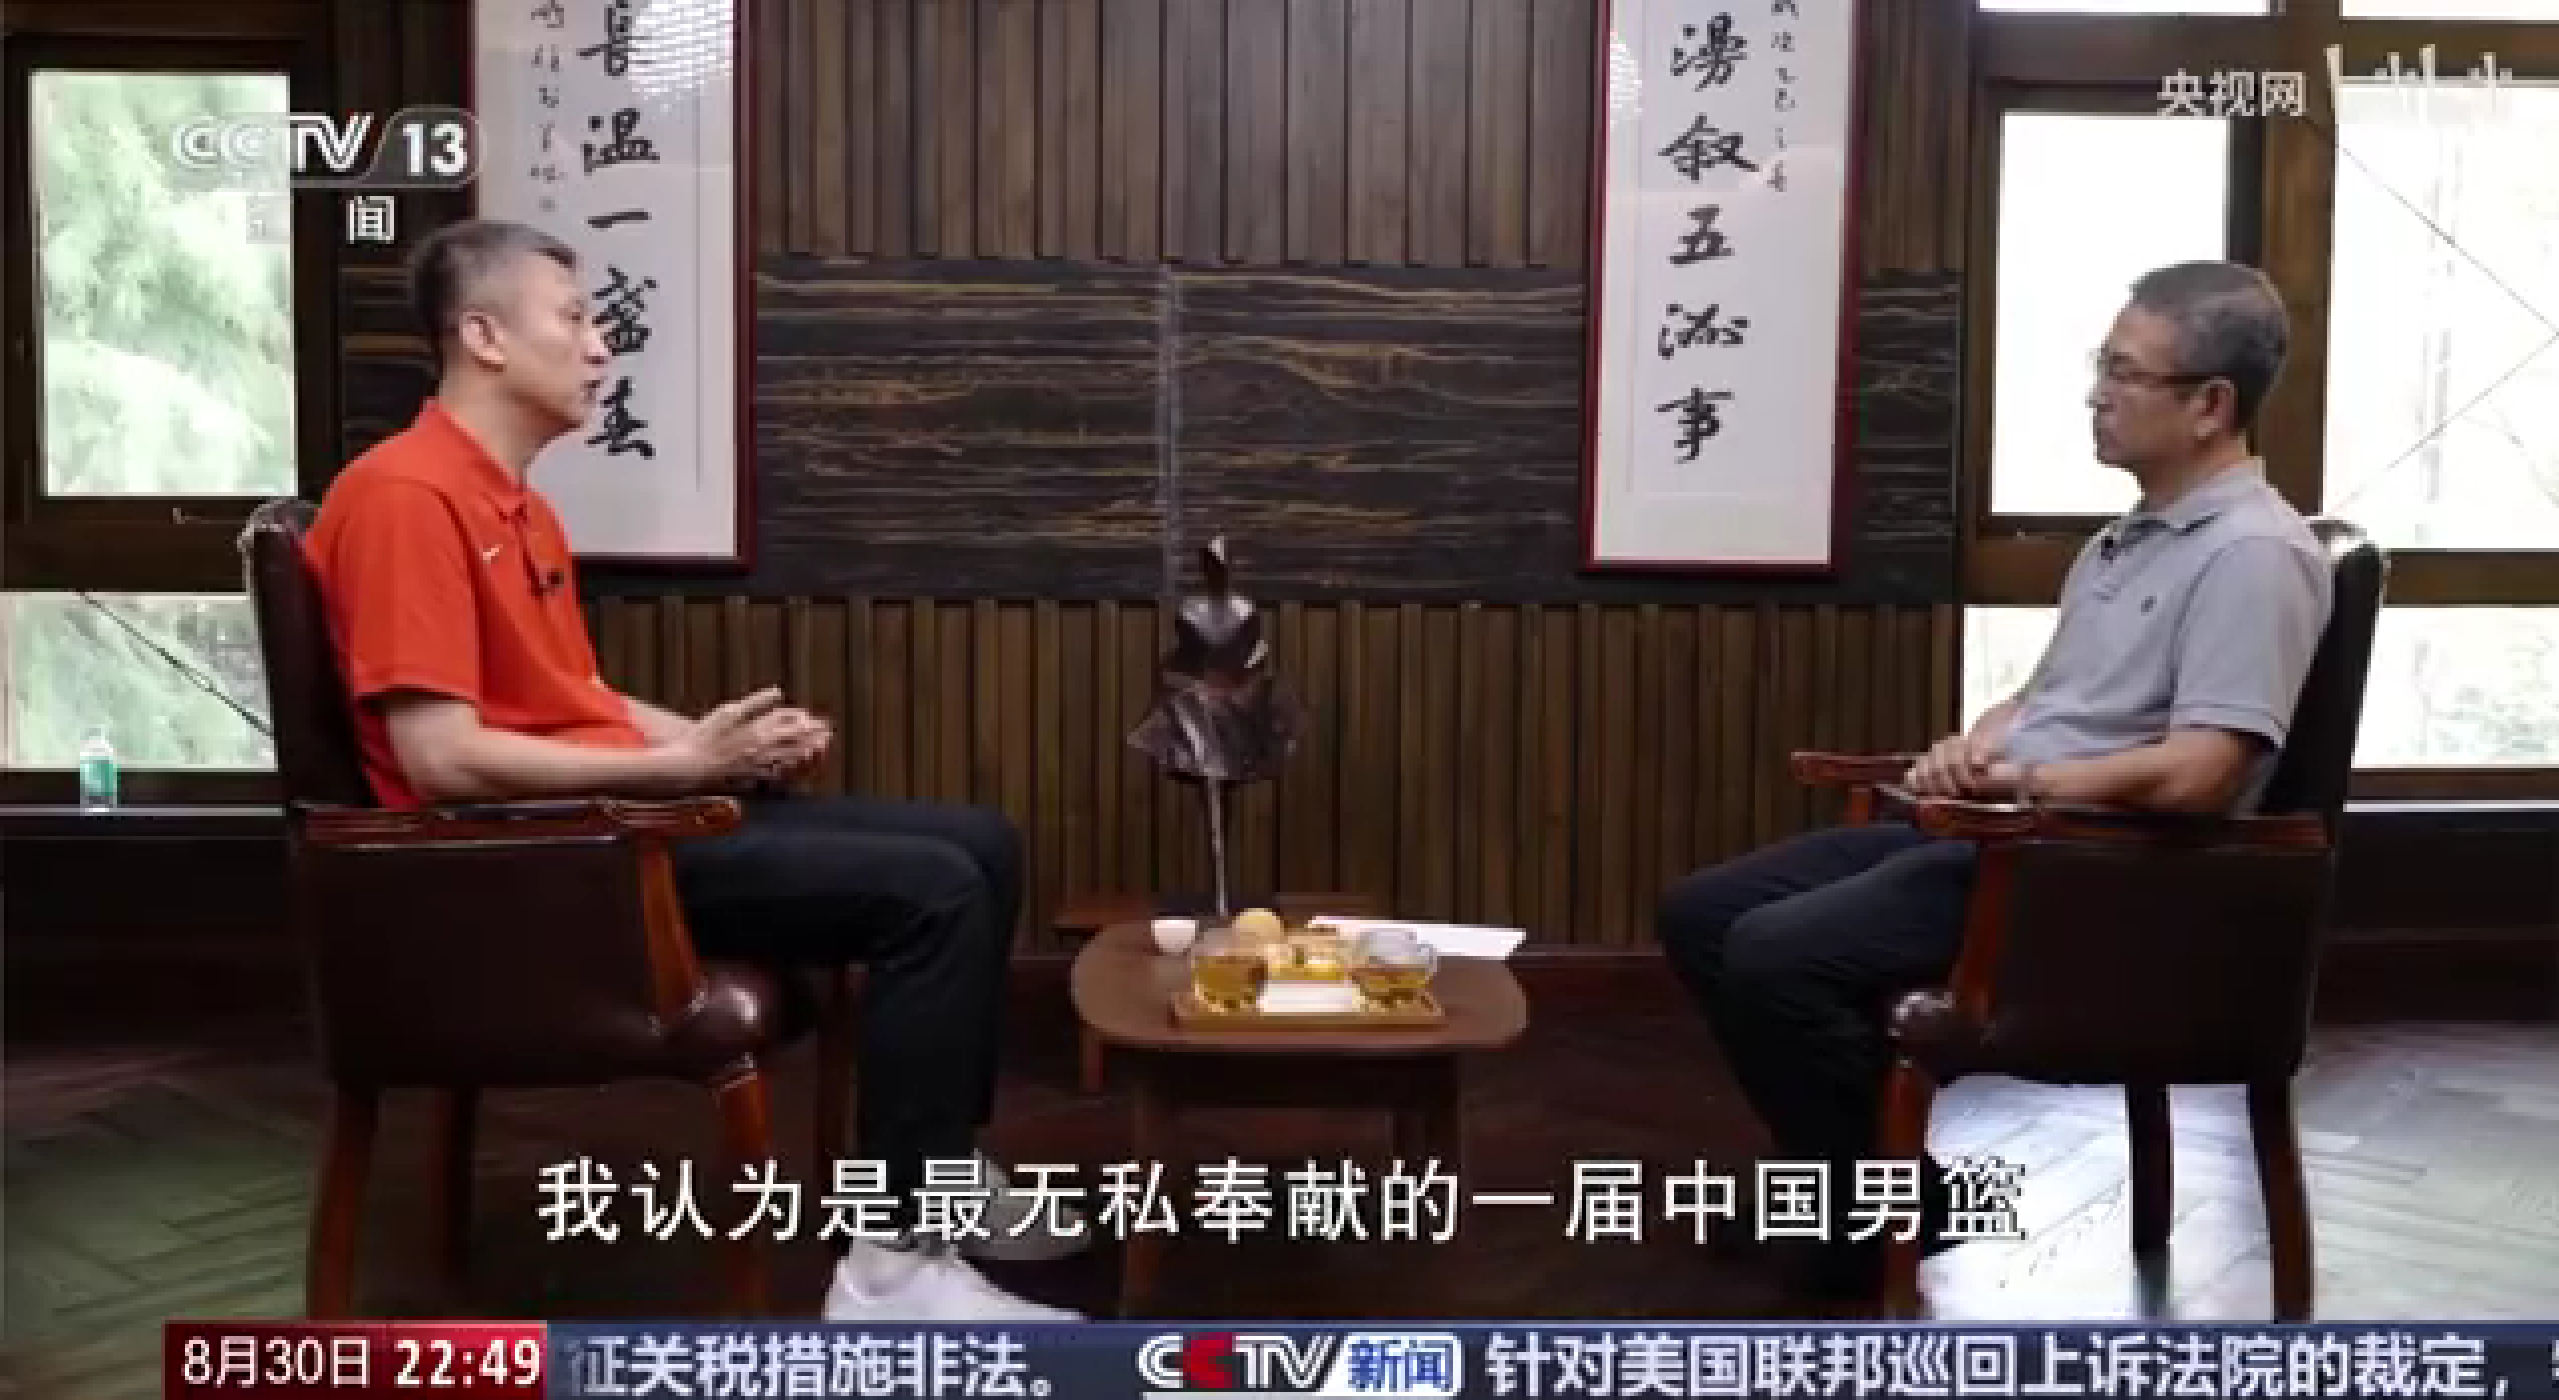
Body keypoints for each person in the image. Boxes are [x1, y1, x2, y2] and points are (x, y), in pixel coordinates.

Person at [304, 218, 1083, 1321]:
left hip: (603, 825)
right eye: (573, 319)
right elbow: (440, 758)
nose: (598, 347)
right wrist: (682, 766)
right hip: (536, 869)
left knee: (980, 843)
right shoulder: (404, 496)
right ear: (482, 336)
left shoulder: (515, 502)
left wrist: (717, 745)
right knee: (936, 891)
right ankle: (894, 1268)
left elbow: (571, 699)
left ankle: (935, 1171)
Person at [1656, 260, 2334, 1298]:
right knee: (1703, 911)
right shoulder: (2125, 541)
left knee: (1773, 955)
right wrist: (1978, 742)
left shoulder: (2253, 555)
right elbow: (2049, 698)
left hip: (2092, 875)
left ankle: (1878, 1208)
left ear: (2210, 405)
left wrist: (2029, 781)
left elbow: (2204, 771)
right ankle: (1863, 1184)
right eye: (2101, 365)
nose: (2097, 394)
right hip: (2010, 831)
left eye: (2124, 373)